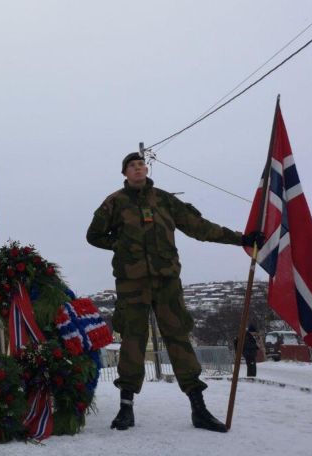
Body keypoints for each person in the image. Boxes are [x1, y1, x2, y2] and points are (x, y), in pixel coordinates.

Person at [86, 152, 264, 433]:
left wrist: (240, 238)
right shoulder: (115, 202)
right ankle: (126, 408)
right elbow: (93, 235)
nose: (138, 168)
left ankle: (198, 407)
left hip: (167, 281)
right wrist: (121, 245)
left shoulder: (164, 200)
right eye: (132, 166)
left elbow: (199, 228)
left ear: (146, 169)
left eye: (141, 164)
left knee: (178, 337)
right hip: (132, 284)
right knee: (133, 340)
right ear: (125, 173)